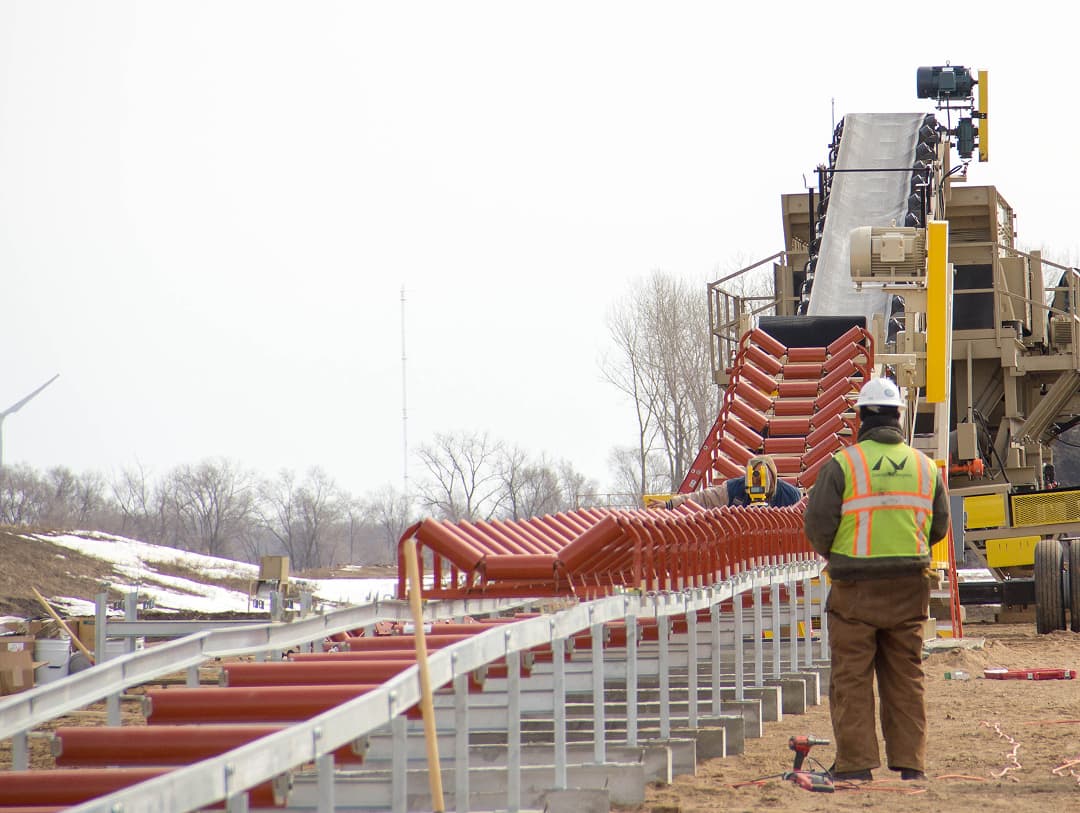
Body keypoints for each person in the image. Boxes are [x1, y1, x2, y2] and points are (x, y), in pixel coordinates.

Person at [803, 376, 950, 783]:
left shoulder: (843, 465)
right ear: (900, 416)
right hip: (909, 587)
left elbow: (818, 525)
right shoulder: (925, 467)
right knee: (906, 677)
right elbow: (938, 527)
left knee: (851, 677)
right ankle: (911, 765)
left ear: (861, 418)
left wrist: (841, 555)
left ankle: (855, 766)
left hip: (854, 591)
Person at [665, 455, 802, 509]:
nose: (758, 482)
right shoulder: (734, 490)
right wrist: (670, 504)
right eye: (755, 476)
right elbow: (703, 499)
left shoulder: (791, 496)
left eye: (762, 477)